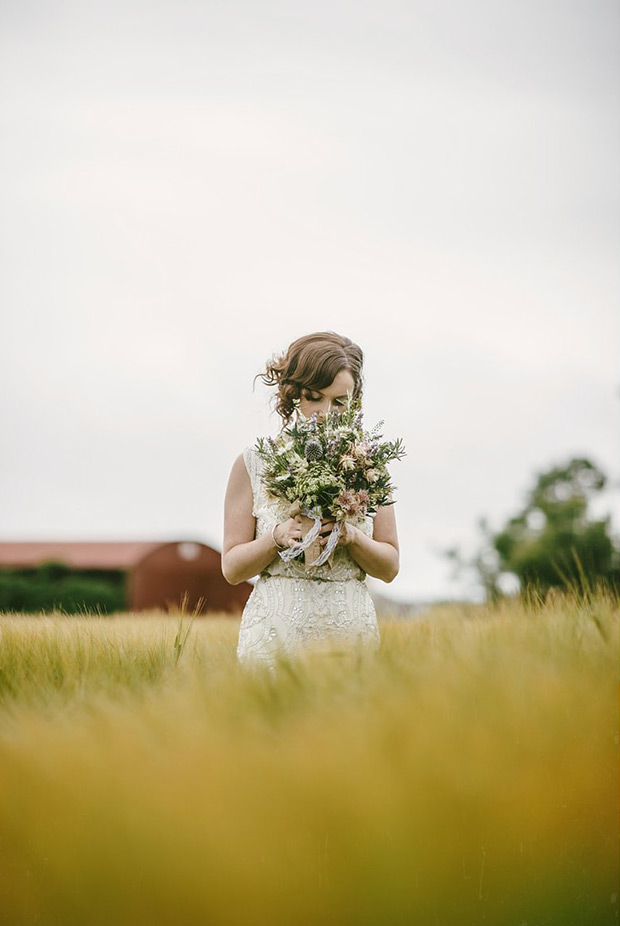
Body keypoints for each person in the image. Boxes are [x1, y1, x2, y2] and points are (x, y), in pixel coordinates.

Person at [222, 331, 400, 671]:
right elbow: (231, 569)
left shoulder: (369, 465)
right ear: (293, 394)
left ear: (354, 403)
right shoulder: (253, 462)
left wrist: (351, 536)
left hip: (349, 633)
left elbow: (389, 566)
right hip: (275, 633)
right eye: (314, 397)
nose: (325, 412)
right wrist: (277, 537)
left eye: (339, 402)